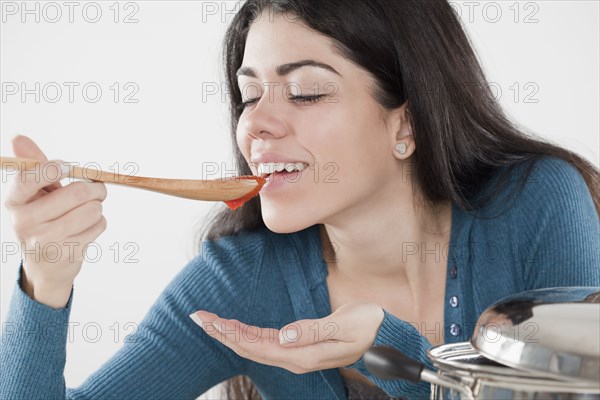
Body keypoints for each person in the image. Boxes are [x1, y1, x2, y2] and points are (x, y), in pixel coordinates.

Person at [1, 0, 599, 399]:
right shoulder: (240, 280)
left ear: (405, 125)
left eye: (306, 92)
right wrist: (44, 281)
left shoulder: (537, 205)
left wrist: (388, 348)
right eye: (248, 94)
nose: (255, 125)